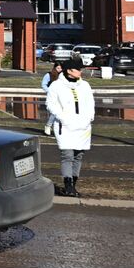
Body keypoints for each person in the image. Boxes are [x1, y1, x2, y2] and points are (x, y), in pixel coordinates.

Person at [45, 58, 94, 197]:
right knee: (67, 155)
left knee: (78, 155)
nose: (81, 71)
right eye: (78, 69)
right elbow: (51, 104)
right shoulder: (56, 86)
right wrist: (63, 118)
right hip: (65, 126)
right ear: (69, 71)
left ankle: (74, 184)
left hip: (83, 126)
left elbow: (90, 103)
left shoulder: (85, 85)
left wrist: (90, 117)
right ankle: (68, 185)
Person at [39, 60, 62, 136]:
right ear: (55, 68)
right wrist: (50, 91)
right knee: (54, 112)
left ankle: (59, 128)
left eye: (61, 68)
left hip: (61, 96)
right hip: (52, 97)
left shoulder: (62, 75)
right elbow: (44, 85)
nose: (60, 70)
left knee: (61, 113)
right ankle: (48, 125)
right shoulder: (49, 75)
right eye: (58, 68)